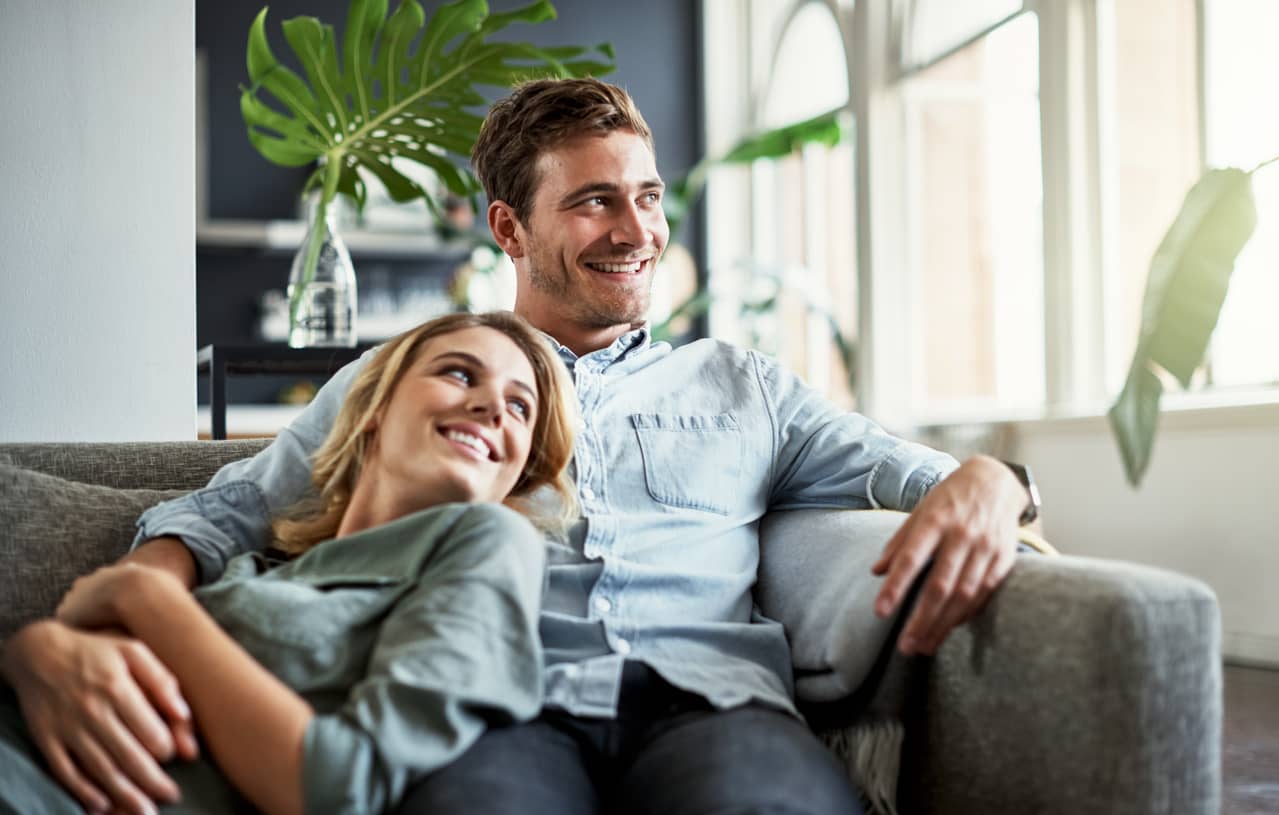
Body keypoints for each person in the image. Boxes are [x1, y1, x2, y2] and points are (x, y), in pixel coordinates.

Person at [3, 78, 1038, 815]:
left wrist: (993, 479)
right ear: (509, 225)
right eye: (592, 200)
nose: (633, 228)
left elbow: (929, 474)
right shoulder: (417, 375)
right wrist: (96, 628)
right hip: (489, 707)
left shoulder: (745, 386)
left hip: (712, 704)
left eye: (644, 196)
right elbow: (220, 509)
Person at [0, 311, 578, 815]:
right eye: (458, 373)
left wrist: (146, 599)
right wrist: (29, 653)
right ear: (374, 410)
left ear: (517, 468)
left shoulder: (492, 543)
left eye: (520, 407)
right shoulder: (257, 562)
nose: (491, 406)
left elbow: (339, 786)